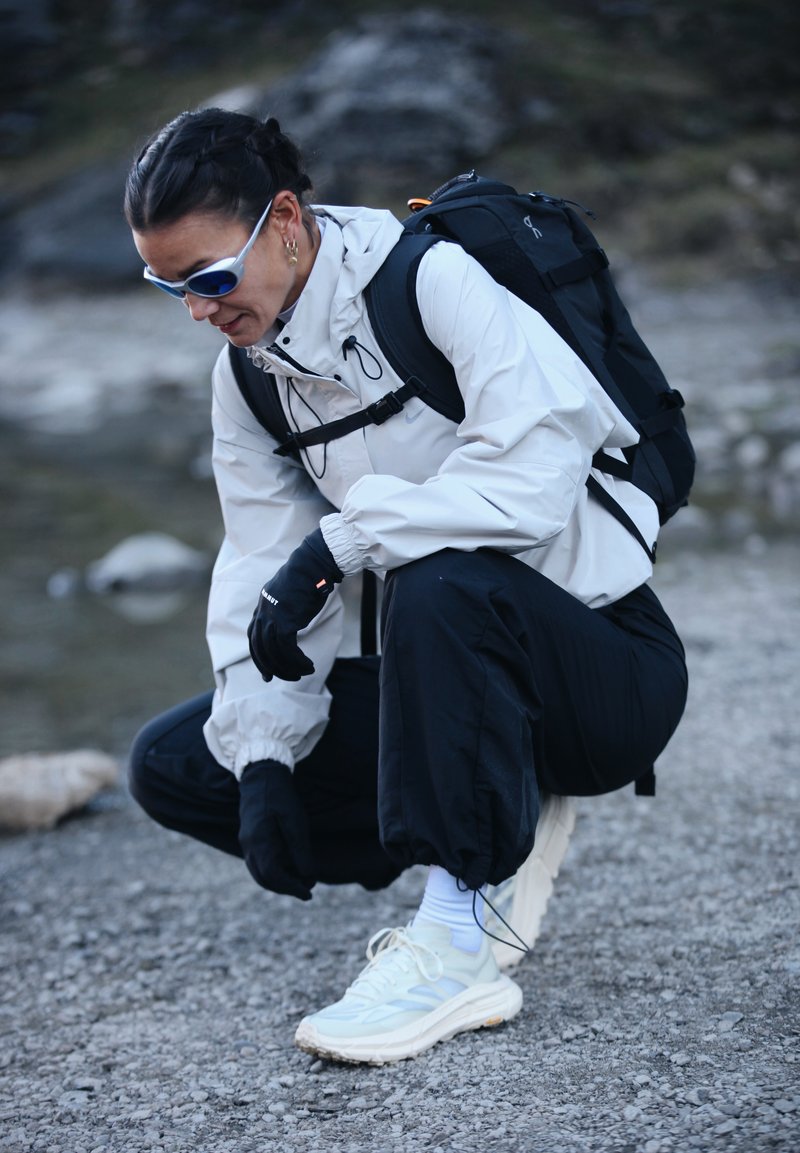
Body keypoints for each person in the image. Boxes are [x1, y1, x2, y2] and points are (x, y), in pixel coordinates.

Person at [124, 108, 688, 1066]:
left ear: (289, 220)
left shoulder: (429, 280)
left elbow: (532, 481)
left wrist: (342, 541)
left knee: (438, 578)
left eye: (210, 277)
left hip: (602, 670)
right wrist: (265, 758)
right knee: (176, 765)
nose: (198, 309)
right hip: (457, 680)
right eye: (169, 286)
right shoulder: (250, 378)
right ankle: (481, 801)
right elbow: (258, 559)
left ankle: (458, 943)